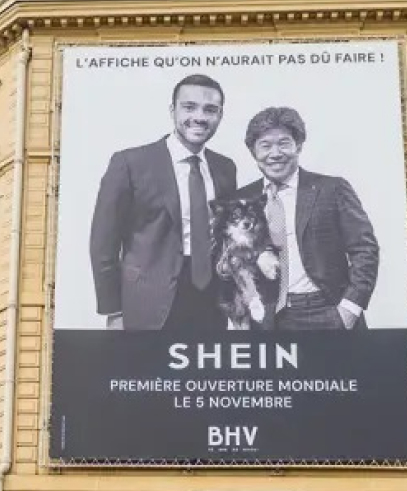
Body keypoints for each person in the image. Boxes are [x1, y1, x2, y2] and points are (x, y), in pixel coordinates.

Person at [88, 73, 239, 333]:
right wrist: (113, 311)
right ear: (173, 110)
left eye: (210, 110)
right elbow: (104, 243)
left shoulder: (225, 168)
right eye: (189, 107)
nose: (200, 117)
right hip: (147, 302)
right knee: (146, 374)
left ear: (220, 116)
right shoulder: (130, 163)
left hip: (211, 300)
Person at [230, 106, 379, 331]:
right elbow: (229, 255)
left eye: (284, 143)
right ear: (253, 152)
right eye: (265, 145)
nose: (275, 153)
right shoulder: (241, 199)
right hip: (267, 319)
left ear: (298, 146)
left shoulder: (332, 189)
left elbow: (365, 250)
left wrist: (349, 309)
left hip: (327, 310)